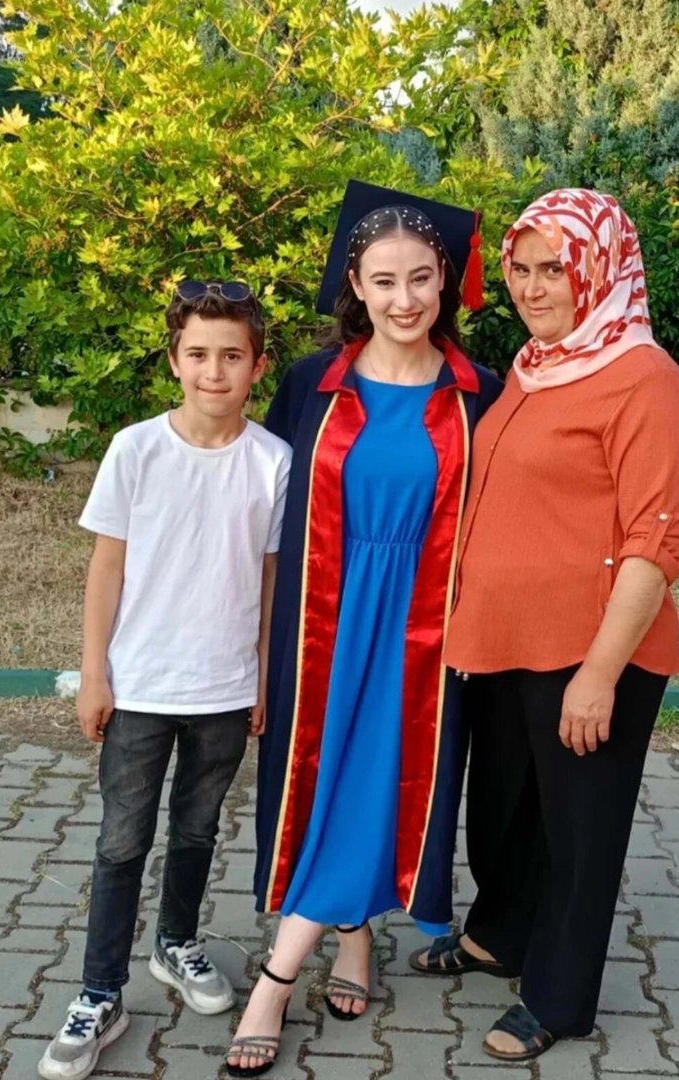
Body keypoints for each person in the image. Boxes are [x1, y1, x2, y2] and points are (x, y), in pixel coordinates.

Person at [410, 189, 679, 1062]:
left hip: (589, 648)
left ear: (599, 272)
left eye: (554, 270)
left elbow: (653, 543)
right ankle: (497, 935)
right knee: (508, 812)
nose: (532, 288)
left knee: (579, 833)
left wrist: (599, 675)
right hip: (503, 641)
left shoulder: (645, 380)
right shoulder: (536, 365)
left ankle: (559, 998)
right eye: (520, 269)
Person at [225, 180, 502, 1078]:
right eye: (383, 280)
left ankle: (275, 978)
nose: (403, 299)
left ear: (445, 280)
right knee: (325, 781)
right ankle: (351, 939)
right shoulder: (311, 385)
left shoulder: (480, 395)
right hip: (322, 622)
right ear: (354, 283)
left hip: (421, 630)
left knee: (380, 785)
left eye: (420, 278)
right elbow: (260, 510)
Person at [38, 282, 292, 1080]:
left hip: (225, 688)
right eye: (198, 355)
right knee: (122, 840)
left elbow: (270, 579)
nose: (214, 371)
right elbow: (106, 568)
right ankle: (99, 992)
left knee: (197, 829)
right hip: (141, 686)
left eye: (232, 356)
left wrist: (261, 676)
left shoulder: (272, 461)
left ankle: (176, 943)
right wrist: (94, 672)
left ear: (257, 366)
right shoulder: (135, 449)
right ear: (174, 361)